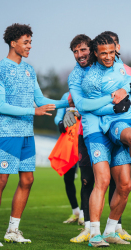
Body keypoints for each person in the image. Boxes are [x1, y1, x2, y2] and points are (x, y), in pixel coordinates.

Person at [0, 23, 69, 247]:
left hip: (26, 135)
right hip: (7, 133)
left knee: (28, 179)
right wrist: (33, 111)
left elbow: (41, 101)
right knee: (1, 181)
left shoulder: (29, 70)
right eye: (26, 42)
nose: (30, 46)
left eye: (30, 41)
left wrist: (67, 101)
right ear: (13, 43)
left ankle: (13, 230)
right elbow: (0, 106)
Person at [68, 33, 131, 247]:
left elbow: (127, 86)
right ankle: (93, 234)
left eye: (84, 50)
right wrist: (113, 103)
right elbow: (81, 104)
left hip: (116, 126)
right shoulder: (77, 76)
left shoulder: (112, 63)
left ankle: (110, 231)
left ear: (91, 51)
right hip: (94, 130)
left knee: (126, 184)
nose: (81, 55)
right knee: (101, 180)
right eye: (76, 51)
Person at [54, 91, 84, 226]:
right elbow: (58, 116)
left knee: (86, 179)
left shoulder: (87, 93)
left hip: (84, 141)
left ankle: (84, 214)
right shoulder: (65, 95)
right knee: (68, 178)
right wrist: (61, 123)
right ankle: (76, 211)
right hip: (69, 141)